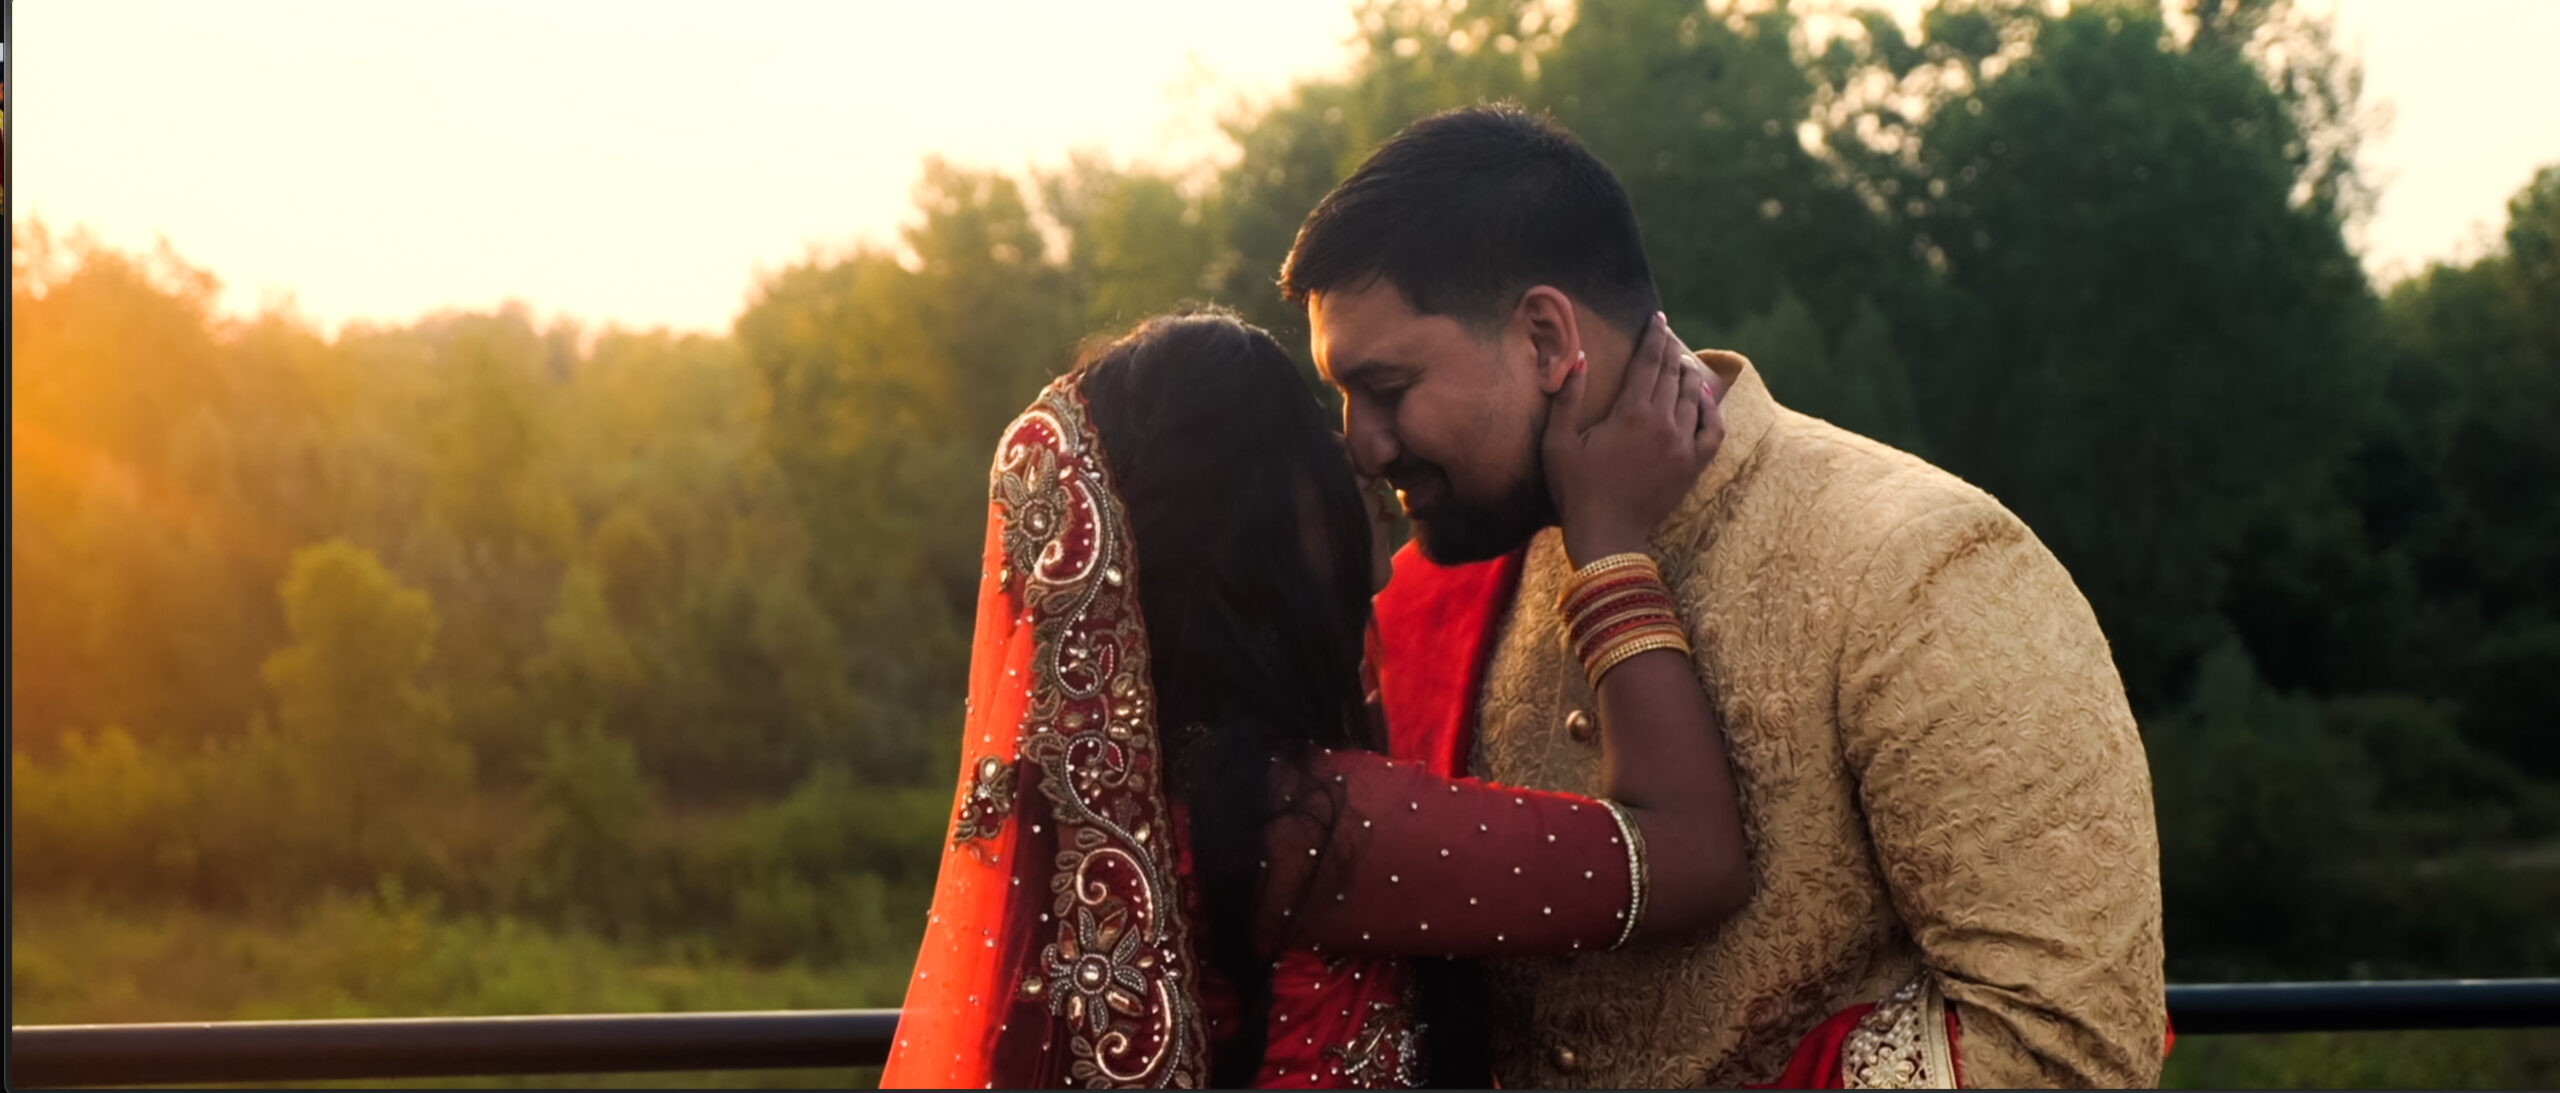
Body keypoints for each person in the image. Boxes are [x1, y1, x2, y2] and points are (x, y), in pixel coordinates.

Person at [1284, 104, 2169, 1088]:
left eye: (1388, 388)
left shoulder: (1924, 562)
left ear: (1544, 336)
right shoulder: (1438, 597)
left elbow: (2064, 1043)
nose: (1362, 444)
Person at [880, 308, 1750, 1089]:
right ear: (1244, 516)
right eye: (1307, 434)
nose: (1355, 453)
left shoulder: (1183, 790)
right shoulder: (1304, 822)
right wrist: (1608, 539)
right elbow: (1695, 857)